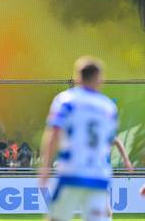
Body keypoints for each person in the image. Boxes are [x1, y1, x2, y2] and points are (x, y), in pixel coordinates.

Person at [39, 56, 133, 221]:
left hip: (72, 171)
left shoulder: (66, 100)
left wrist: (45, 167)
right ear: (99, 79)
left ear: (77, 77)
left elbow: (53, 133)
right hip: (99, 175)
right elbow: (111, 139)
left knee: (56, 218)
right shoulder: (108, 107)